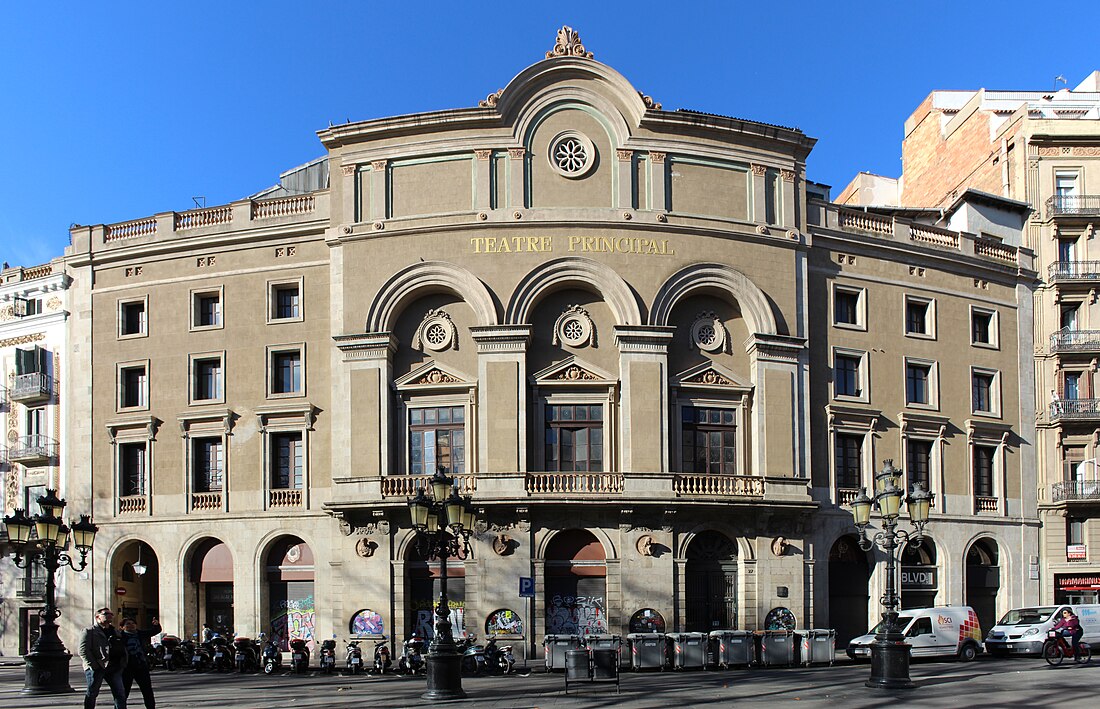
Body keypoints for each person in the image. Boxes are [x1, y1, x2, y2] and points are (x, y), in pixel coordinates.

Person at [78, 607, 128, 709]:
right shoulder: (89, 631)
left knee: (120, 693)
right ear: (98, 617)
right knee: (92, 693)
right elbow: (83, 650)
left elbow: (122, 646)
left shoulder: (115, 631)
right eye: (106, 614)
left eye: (111, 614)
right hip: (97, 667)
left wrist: (123, 662)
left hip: (114, 667)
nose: (110, 616)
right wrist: (94, 665)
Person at [120, 616, 161, 709]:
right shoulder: (119, 636)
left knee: (147, 690)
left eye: (133, 623)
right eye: (128, 624)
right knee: (123, 691)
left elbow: (154, 631)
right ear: (122, 627)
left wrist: (156, 625)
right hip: (126, 667)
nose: (131, 626)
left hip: (141, 665)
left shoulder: (140, 634)